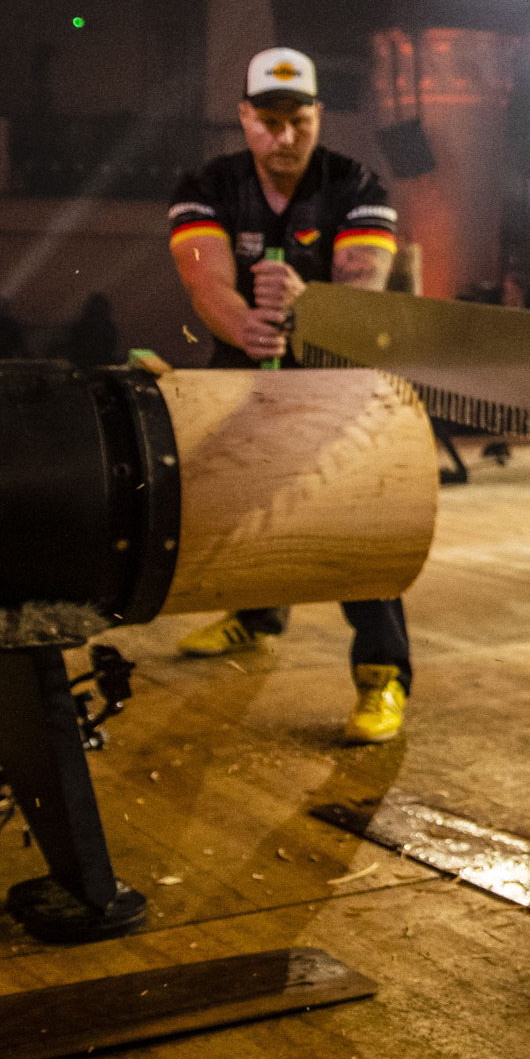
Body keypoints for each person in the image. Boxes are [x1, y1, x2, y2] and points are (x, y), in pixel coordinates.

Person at [166, 48, 415, 742]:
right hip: (240, 372)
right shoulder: (207, 185)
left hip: (332, 375)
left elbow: (364, 287)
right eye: (268, 121)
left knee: (350, 522)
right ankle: (255, 615)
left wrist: (311, 307)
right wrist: (243, 324)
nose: (284, 137)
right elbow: (206, 282)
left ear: (318, 116)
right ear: (244, 116)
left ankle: (382, 673)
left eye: (298, 120)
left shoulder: (357, 184)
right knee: (243, 505)